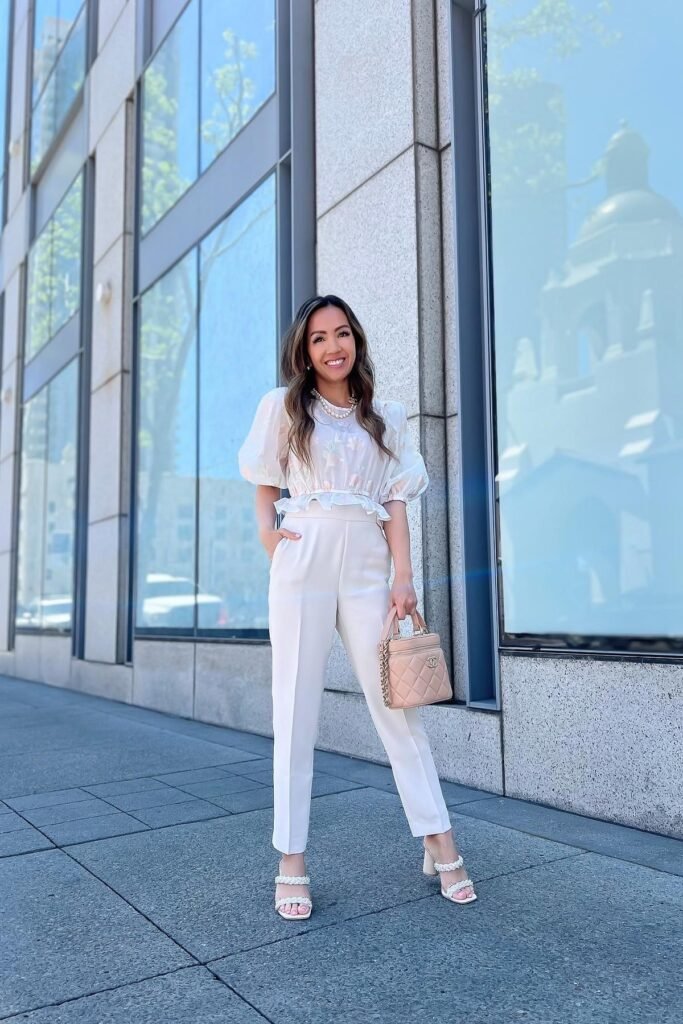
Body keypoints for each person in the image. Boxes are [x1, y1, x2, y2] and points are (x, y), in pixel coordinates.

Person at [238, 294, 476, 920]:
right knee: (293, 705)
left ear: (355, 342)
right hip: (305, 551)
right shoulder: (285, 409)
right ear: (304, 350)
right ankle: (291, 858)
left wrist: (405, 578)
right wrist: (271, 538)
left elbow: (396, 502)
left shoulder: (383, 417)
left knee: (396, 705)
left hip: (370, 560)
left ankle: (440, 840)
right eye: (318, 338)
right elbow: (265, 483)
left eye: (341, 334)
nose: (332, 347)